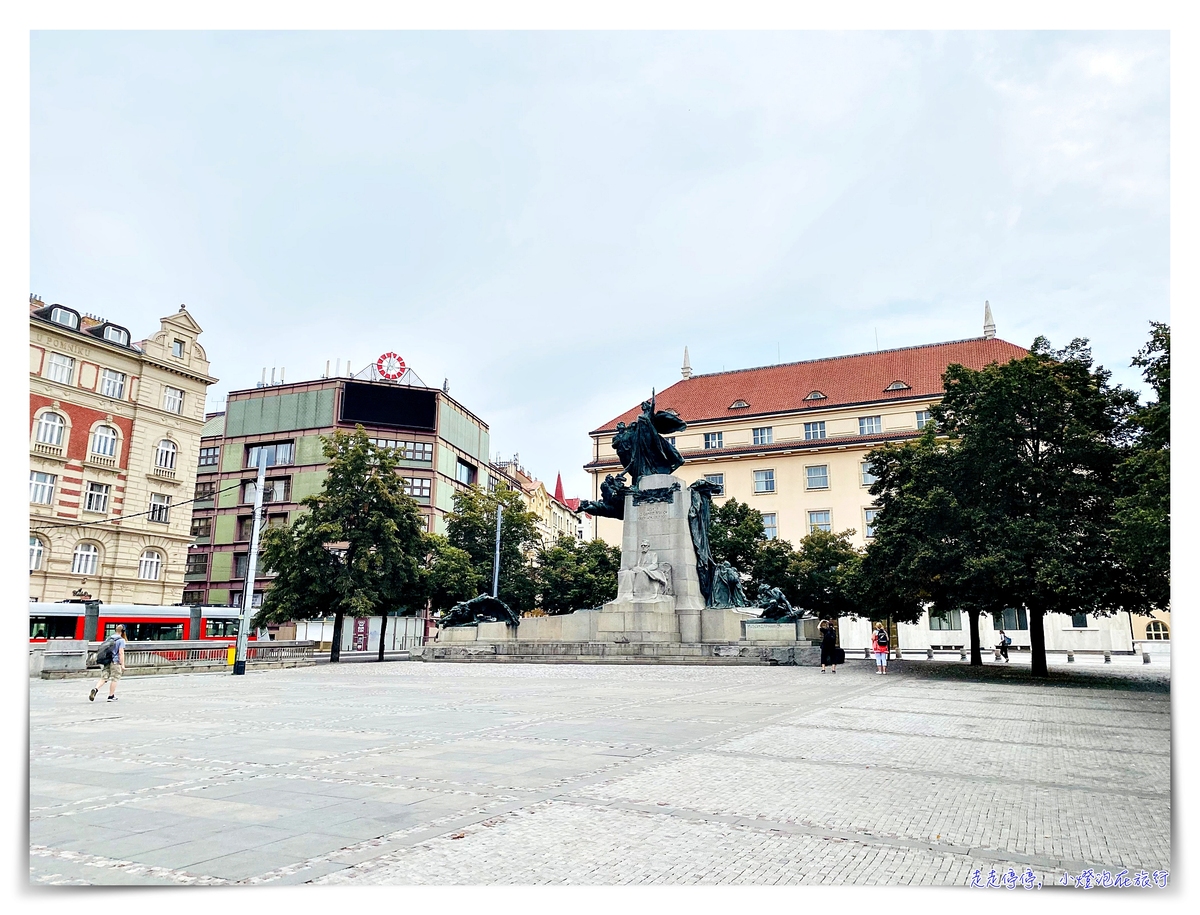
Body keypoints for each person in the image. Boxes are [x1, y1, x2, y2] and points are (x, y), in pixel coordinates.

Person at [89, 624, 126, 702]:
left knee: (104, 678)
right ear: (123, 632)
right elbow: (121, 653)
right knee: (115, 678)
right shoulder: (121, 640)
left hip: (107, 661)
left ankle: (95, 689)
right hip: (115, 662)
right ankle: (111, 696)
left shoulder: (109, 638)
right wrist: (122, 665)